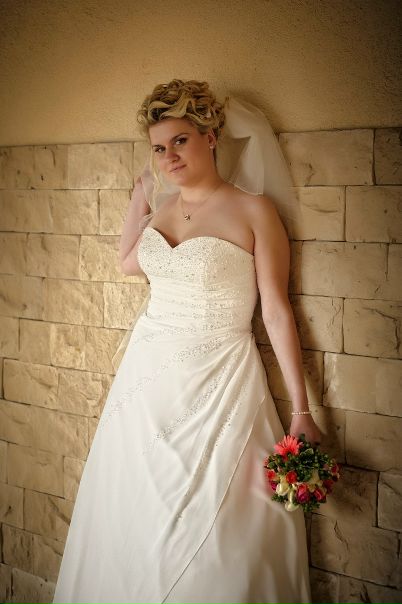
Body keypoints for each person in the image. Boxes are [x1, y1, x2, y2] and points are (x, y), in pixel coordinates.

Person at [52, 79, 321, 604]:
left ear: (211, 137)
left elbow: (276, 311)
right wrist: (140, 195)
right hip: (144, 384)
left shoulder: (254, 211)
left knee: (219, 527)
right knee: (133, 509)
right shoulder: (163, 210)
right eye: (159, 148)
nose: (169, 156)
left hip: (219, 379)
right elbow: (129, 262)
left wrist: (301, 410)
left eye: (180, 141)